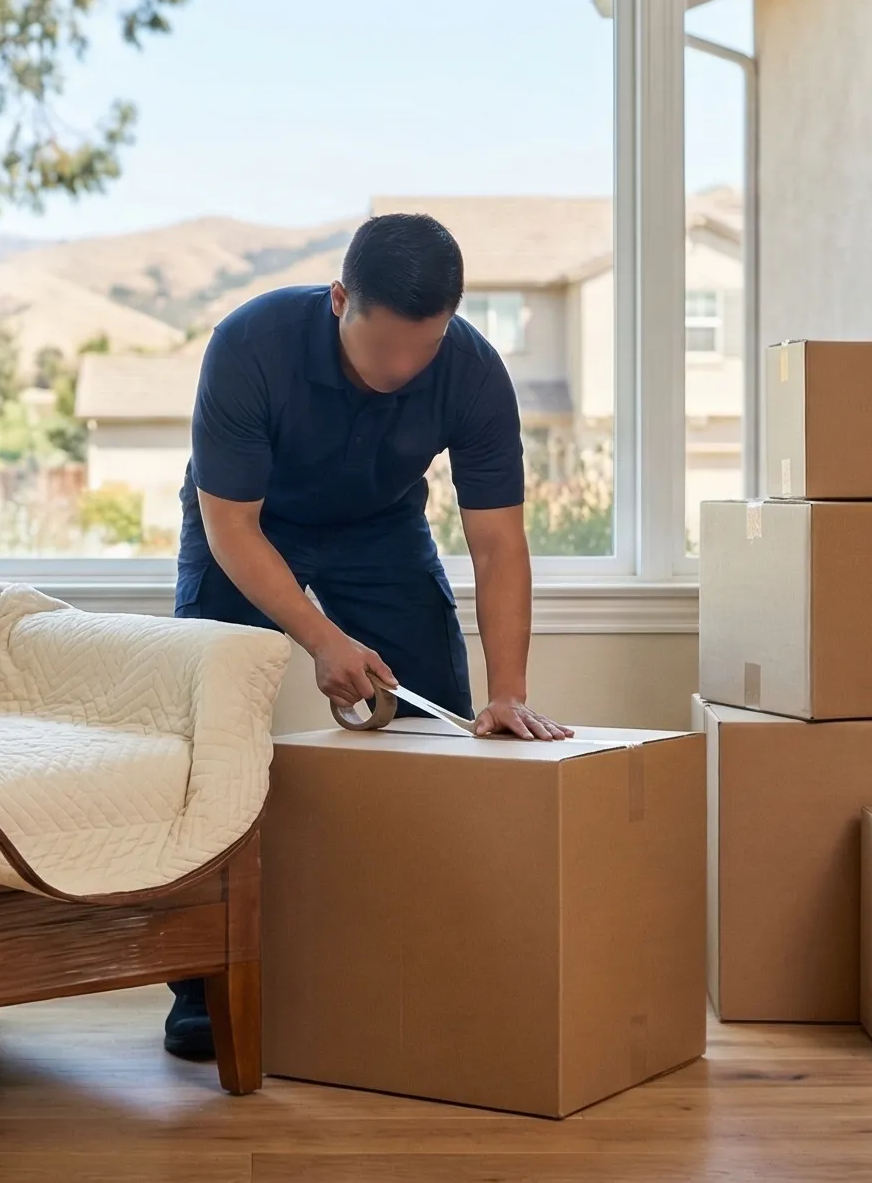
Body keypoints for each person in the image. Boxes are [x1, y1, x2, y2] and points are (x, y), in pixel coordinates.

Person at [160, 211, 571, 1061]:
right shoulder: (251, 345)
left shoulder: (471, 369)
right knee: (211, 731)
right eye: (383, 348)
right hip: (247, 520)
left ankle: (416, 956)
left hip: (380, 526)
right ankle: (202, 986)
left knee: (442, 731)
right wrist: (320, 639)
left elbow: (498, 546)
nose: (400, 370)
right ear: (341, 299)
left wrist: (510, 693)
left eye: (422, 350)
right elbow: (233, 526)